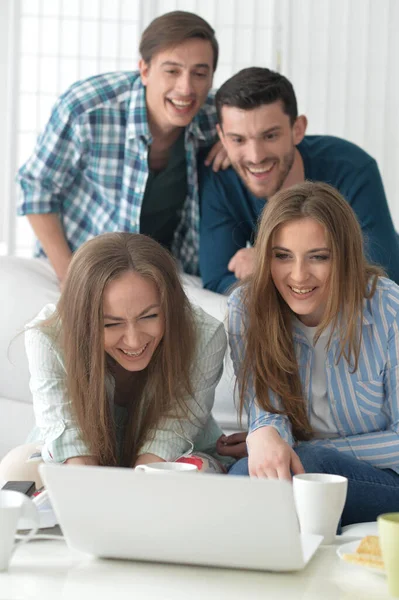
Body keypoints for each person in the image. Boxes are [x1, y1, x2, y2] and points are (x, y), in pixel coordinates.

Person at [227, 181, 399, 525]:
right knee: (240, 477)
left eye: (318, 257)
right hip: (299, 465)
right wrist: (264, 436)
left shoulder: (387, 309)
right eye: (282, 256)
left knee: (313, 472)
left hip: (382, 478)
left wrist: (307, 449)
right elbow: (267, 410)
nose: (299, 275)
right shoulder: (247, 310)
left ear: (345, 256)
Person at [0, 233, 233, 486]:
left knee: (187, 475)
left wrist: (130, 498)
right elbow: (70, 442)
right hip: (74, 461)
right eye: (111, 324)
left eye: (149, 317)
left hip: (172, 457)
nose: (133, 341)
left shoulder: (204, 335)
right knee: (17, 470)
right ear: (83, 319)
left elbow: (170, 434)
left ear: (170, 307)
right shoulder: (48, 336)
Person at [17, 11, 229, 287]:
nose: (186, 88)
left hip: (165, 274)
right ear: (144, 70)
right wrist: (69, 276)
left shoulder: (217, 119)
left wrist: (237, 145)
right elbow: (36, 189)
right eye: (172, 71)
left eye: (200, 73)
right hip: (78, 267)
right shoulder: (86, 108)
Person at [199, 67, 399, 294]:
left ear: (298, 129)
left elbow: (378, 278)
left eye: (270, 135)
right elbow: (218, 281)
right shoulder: (220, 179)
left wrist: (270, 263)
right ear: (223, 138)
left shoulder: (352, 168)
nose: (256, 156)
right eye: (238, 139)